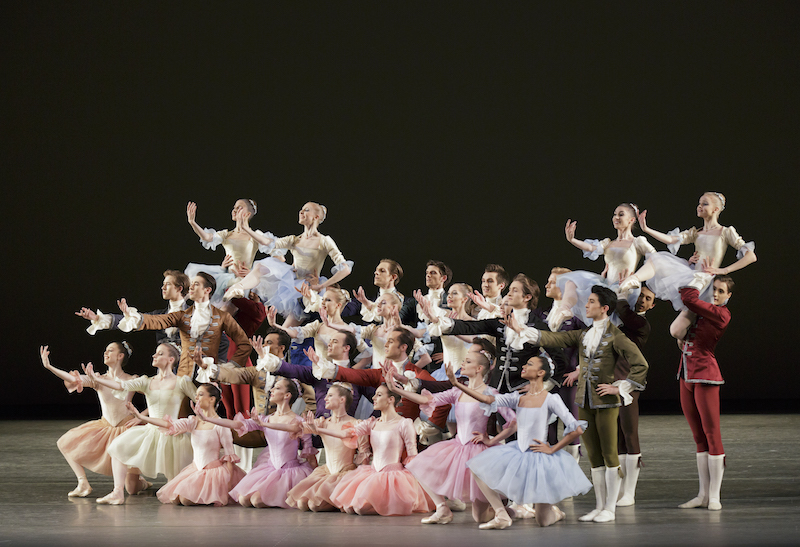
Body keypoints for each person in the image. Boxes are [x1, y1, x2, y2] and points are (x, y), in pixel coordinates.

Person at [519, 285, 649, 523]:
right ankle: (600, 506)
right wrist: (523, 330)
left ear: (604, 308)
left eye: (591, 302)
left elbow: (641, 364)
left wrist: (619, 387)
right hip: (585, 400)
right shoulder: (584, 334)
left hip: (606, 403)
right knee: (593, 456)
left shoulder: (617, 336)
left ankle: (610, 508)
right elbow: (555, 337)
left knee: (610, 454)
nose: (586, 305)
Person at [447, 355, 592, 529]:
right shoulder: (519, 397)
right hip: (517, 452)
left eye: (529, 364)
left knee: (543, 521)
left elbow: (575, 428)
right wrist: (456, 384)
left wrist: (553, 450)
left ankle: (556, 513)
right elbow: (487, 399)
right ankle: (501, 514)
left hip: (539, 456)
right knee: (476, 469)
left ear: (540, 372)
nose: (523, 365)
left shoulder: (551, 399)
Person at [383, 349, 517, 524]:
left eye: (468, 361)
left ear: (478, 369)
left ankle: (502, 513)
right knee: (417, 464)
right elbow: (425, 400)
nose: (463, 363)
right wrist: (394, 389)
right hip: (458, 446)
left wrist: (492, 440)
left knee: (480, 517)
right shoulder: (457, 392)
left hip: (478, 449)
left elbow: (513, 422)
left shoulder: (491, 394)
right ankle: (442, 509)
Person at [620, 192, 755, 340]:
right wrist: (646, 229)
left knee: (679, 330)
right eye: (699, 203)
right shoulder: (696, 233)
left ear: (716, 209)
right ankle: (634, 279)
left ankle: (695, 348)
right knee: (677, 331)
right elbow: (671, 240)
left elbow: (751, 256)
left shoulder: (726, 232)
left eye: (705, 203)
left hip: (705, 282)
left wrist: (723, 270)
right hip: (692, 277)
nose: (699, 206)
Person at [86, 343, 197, 505]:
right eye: (155, 353)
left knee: (175, 496)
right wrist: (95, 378)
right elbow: (120, 385)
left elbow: (201, 401)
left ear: (170, 359)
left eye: (160, 354)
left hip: (172, 435)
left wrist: (195, 423)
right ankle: (117, 492)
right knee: (117, 447)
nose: (154, 356)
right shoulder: (146, 381)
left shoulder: (182, 382)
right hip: (151, 432)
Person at [419, 274, 567, 394]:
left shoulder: (538, 326)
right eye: (509, 290)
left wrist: (544, 386)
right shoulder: (500, 322)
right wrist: (435, 319)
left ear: (527, 297)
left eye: (515, 290)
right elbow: (469, 326)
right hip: (497, 388)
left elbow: (560, 360)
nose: (509, 294)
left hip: (522, 390)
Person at [309, 384, 435, 516]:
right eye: (375, 394)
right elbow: (345, 434)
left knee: (360, 509)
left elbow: (412, 454)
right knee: (350, 508)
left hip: (393, 475)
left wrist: (416, 483)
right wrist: (316, 429)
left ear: (391, 399)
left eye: (379, 395)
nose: (374, 398)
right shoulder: (372, 423)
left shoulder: (404, 423)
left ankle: (391, 503)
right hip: (373, 472)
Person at [222, 202, 353, 326]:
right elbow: (269, 242)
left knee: (286, 330)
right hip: (291, 283)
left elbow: (345, 269)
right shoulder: (294, 239)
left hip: (307, 288)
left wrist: (321, 286)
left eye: (306, 210)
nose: (301, 212)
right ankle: (238, 287)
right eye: (301, 210)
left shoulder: (324, 241)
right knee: (263, 266)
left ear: (316, 217)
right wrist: (246, 228)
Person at [38, 343, 140, 498]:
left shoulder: (132, 379)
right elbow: (73, 378)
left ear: (120, 356)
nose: (105, 353)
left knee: (132, 489)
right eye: (105, 350)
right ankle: (82, 483)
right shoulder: (98, 379)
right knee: (65, 442)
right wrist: (50, 367)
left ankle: (143, 482)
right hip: (106, 426)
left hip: (127, 429)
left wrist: (141, 417)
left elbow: (157, 398)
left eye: (110, 350)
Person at [201, 377, 317, 508]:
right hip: (270, 469)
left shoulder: (298, 421)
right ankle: (274, 496)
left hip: (289, 472)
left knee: (256, 501)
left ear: (287, 395)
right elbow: (236, 424)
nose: (271, 390)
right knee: (244, 499)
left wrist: (313, 482)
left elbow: (310, 455)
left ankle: (280, 496)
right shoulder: (266, 419)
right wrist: (209, 419)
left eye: (277, 388)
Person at [113, 273, 251, 382]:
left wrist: (222, 368)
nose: (191, 287)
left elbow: (240, 344)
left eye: (196, 284)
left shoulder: (221, 316)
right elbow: (153, 320)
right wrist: (127, 316)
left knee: (202, 413)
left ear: (207, 290)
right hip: (181, 373)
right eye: (191, 284)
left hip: (204, 375)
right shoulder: (181, 316)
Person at [124, 384, 246, 506]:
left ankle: (209, 495)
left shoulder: (220, 426)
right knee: (176, 498)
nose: (197, 397)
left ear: (212, 399)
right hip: (196, 469)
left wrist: (228, 484)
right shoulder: (193, 422)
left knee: (185, 500)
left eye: (201, 394)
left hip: (213, 472)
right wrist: (140, 416)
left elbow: (230, 455)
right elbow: (168, 424)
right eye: (196, 395)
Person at [195, 328, 317, 448]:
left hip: (283, 431)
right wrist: (206, 366)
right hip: (258, 428)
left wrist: (299, 422)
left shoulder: (293, 372)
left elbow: (312, 399)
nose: (263, 346)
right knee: (222, 432)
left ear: (281, 348)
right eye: (264, 342)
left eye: (269, 343)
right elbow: (233, 374)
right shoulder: (257, 372)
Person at [676, 275, 735, 511]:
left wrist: (698, 276)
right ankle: (702, 494)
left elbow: (689, 297)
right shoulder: (705, 310)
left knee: (712, 435)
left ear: (728, 296)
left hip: (706, 375)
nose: (716, 294)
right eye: (714, 289)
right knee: (698, 437)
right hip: (685, 374)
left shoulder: (722, 314)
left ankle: (714, 496)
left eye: (721, 291)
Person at [551, 203, 656, 329]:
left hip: (624, 286)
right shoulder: (608, 243)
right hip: (607, 284)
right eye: (615, 214)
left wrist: (637, 277)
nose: (616, 217)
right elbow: (591, 247)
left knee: (609, 314)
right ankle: (565, 309)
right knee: (571, 281)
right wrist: (572, 239)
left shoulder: (637, 242)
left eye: (621, 214)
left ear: (631, 220)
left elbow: (656, 259)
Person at [312, 328, 436, 421]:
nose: (385, 345)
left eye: (390, 342)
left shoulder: (419, 374)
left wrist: (430, 427)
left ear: (403, 347)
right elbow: (351, 374)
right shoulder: (378, 374)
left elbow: (441, 400)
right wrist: (323, 365)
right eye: (386, 341)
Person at [285, 384, 371, 511]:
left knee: (314, 505)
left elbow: (364, 453)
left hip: (345, 473)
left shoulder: (355, 424)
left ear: (342, 399)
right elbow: (295, 428)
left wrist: (362, 481)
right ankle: (333, 498)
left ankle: (338, 499)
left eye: (330, 395)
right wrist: (264, 424)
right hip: (326, 472)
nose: (325, 398)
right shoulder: (323, 423)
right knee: (303, 503)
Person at [185, 199, 273, 305]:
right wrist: (192, 222)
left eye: (239, 207)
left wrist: (251, 273)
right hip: (226, 278)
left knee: (232, 307)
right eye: (234, 207)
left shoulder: (254, 235)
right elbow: (207, 237)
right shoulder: (226, 234)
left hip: (244, 279)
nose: (235, 210)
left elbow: (268, 242)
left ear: (248, 214)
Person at [76, 269, 191, 348]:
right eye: (163, 284)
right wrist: (97, 318)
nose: (163, 287)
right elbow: (133, 320)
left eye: (168, 284)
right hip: (166, 370)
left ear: (179, 288)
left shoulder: (192, 313)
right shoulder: (159, 314)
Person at [615, 284, 655, 506]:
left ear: (652, 305)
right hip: (612, 381)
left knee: (630, 434)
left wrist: (622, 294)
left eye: (648, 298)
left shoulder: (640, 323)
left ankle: (630, 491)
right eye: (640, 295)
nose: (642, 300)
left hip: (628, 383)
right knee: (618, 438)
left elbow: (623, 309)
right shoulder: (620, 319)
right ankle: (621, 488)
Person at [538, 267, 585, 461]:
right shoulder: (543, 315)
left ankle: (571, 474)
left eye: (552, 282)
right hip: (547, 378)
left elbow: (587, 344)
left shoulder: (576, 316)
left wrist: (579, 371)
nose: (547, 285)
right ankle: (551, 471)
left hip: (567, 378)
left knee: (571, 424)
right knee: (547, 426)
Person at [352, 259, 416, 326]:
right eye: (376, 270)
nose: (376, 273)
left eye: (382, 271)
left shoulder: (406, 302)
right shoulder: (368, 300)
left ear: (393, 277)